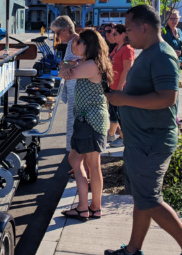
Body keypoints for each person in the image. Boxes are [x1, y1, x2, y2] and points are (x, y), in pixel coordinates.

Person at [104, 4, 182, 255]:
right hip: (142, 140)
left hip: (151, 142)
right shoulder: (150, 52)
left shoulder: (162, 55)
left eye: (129, 28)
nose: (125, 34)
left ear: (144, 27)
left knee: (150, 200)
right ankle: (132, 252)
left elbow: (167, 98)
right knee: (143, 199)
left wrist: (124, 99)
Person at [58, 29, 113, 221]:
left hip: (88, 120)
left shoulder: (90, 65)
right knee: (93, 165)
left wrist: (65, 66)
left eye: (79, 41)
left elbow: (64, 73)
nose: (75, 44)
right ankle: (95, 207)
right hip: (94, 119)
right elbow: (64, 66)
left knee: (76, 160)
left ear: (89, 45)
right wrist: (66, 64)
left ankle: (83, 208)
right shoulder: (91, 62)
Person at [49, 15, 80, 156]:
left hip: (77, 88)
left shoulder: (77, 41)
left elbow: (85, 61)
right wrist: (65, 64)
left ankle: (75, 155)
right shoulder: (72, 42)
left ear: (66, 29)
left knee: (75, 122)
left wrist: (66, 64)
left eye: (57, 32)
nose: (57, 36)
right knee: (73, 122)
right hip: (74, 87)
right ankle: (74, 153)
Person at [106, 24, 135, 147]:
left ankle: (124, 138)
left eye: (115, 34)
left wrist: (120, 87)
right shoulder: (117, 47)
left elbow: (127, 69)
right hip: (114, 86)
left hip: (121, 88)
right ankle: (112, 135)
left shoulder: (127, 49)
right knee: (114, 113)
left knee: (121, 114)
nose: (112, 36)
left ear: (123, 34)